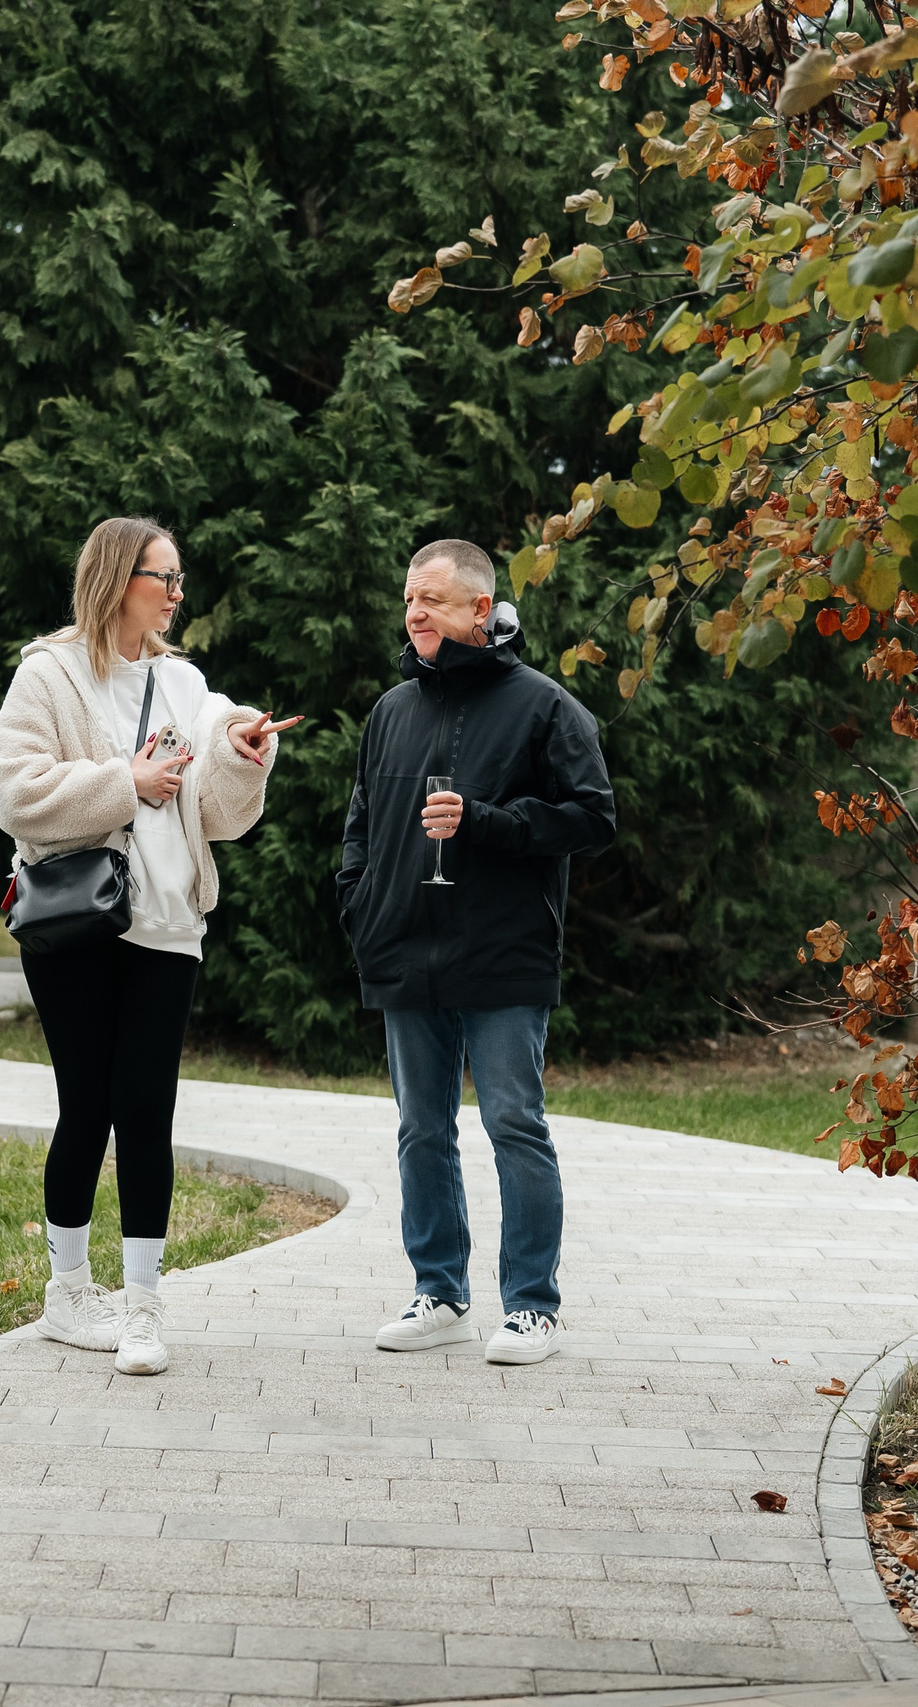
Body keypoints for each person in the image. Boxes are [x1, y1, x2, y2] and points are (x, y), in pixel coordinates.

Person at [0, 517, 301, 1376]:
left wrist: (241, 752)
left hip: (166, 924)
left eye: (179, 578)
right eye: (163, 576)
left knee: (148, 1112)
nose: (175, 592)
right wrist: (126, 781)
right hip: (77, 924)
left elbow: (220, 807)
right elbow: (17, 793)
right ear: (120, 578)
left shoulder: (187, 681)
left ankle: (143, 1308)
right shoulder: (47, 676)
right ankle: (66, 1293)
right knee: (86, 1103)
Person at [337, 539, 615, 1366]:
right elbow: (360, 826)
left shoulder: (544, 706)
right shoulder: (391, 710)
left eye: (432, 599)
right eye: (410, 599)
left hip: (504, 954)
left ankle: (532, 1306)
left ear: (479, 611)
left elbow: (593, 816)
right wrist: (359, 906)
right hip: (403, 955)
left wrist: (490, 821)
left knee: (511, 1123)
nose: (415, 613)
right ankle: (440, 1292)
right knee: (421, 1129)